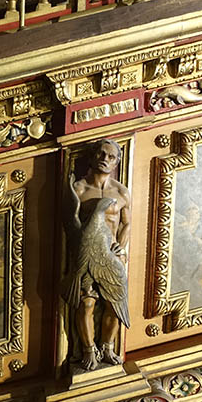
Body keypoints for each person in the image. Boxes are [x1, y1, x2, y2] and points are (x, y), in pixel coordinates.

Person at [63, 139, 131, 370]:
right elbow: (70, 224)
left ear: (116, 162)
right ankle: (88, 350)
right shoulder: (79, 189)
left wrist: (120, 246)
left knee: (114, 305)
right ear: (93, 157)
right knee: (86, 304)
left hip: (112, 255)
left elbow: (126, 223)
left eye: (111, 157)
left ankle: (107, 348)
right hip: (88, 255)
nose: (105, 160)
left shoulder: (121, 192)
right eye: (101, 154)